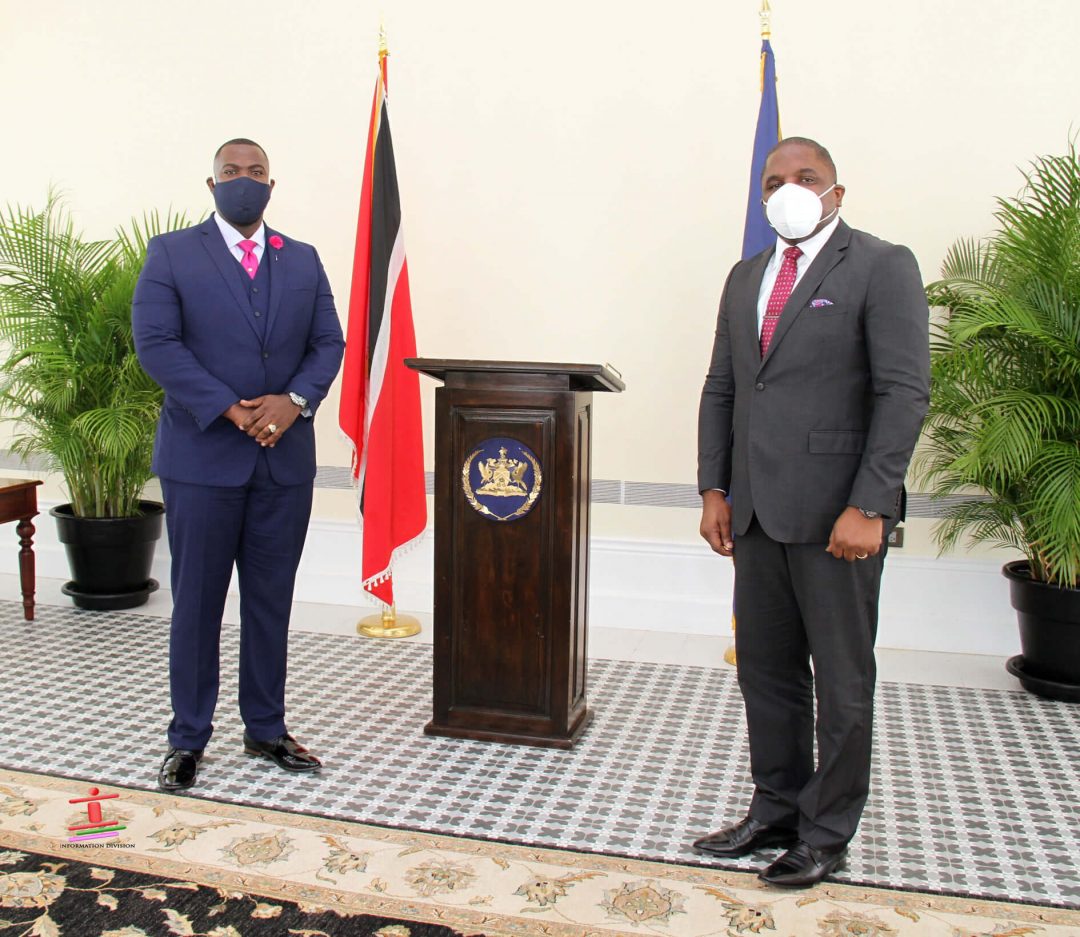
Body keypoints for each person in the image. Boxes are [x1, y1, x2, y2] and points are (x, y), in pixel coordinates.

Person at [694, 137, 929, 887]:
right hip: (756, 510)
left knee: (841, 678)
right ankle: (777, 809)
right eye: (774, 181)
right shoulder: (745, 276)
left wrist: (871, 503)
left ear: (836, 190)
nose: (788, 189)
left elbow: (902, 392)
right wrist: (713, 488)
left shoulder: (881, 265)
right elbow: (724, 388)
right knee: (766, 671)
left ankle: (828, 831)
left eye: (805, 177)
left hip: (839, 515)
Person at [133, 138, 345, 791]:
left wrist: (294, 400)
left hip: (284, 463)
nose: (244, 181)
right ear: (212, 183)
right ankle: (188, 737)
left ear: (271, 186)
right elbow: (156, 344)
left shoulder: (303, 259)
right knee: (196, 603)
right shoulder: (172, 253)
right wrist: (230, 408)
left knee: (269, 602)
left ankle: (267, 728)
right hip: (201, 461)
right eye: (233, 173)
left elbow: (327, 342)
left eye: (256, 173)